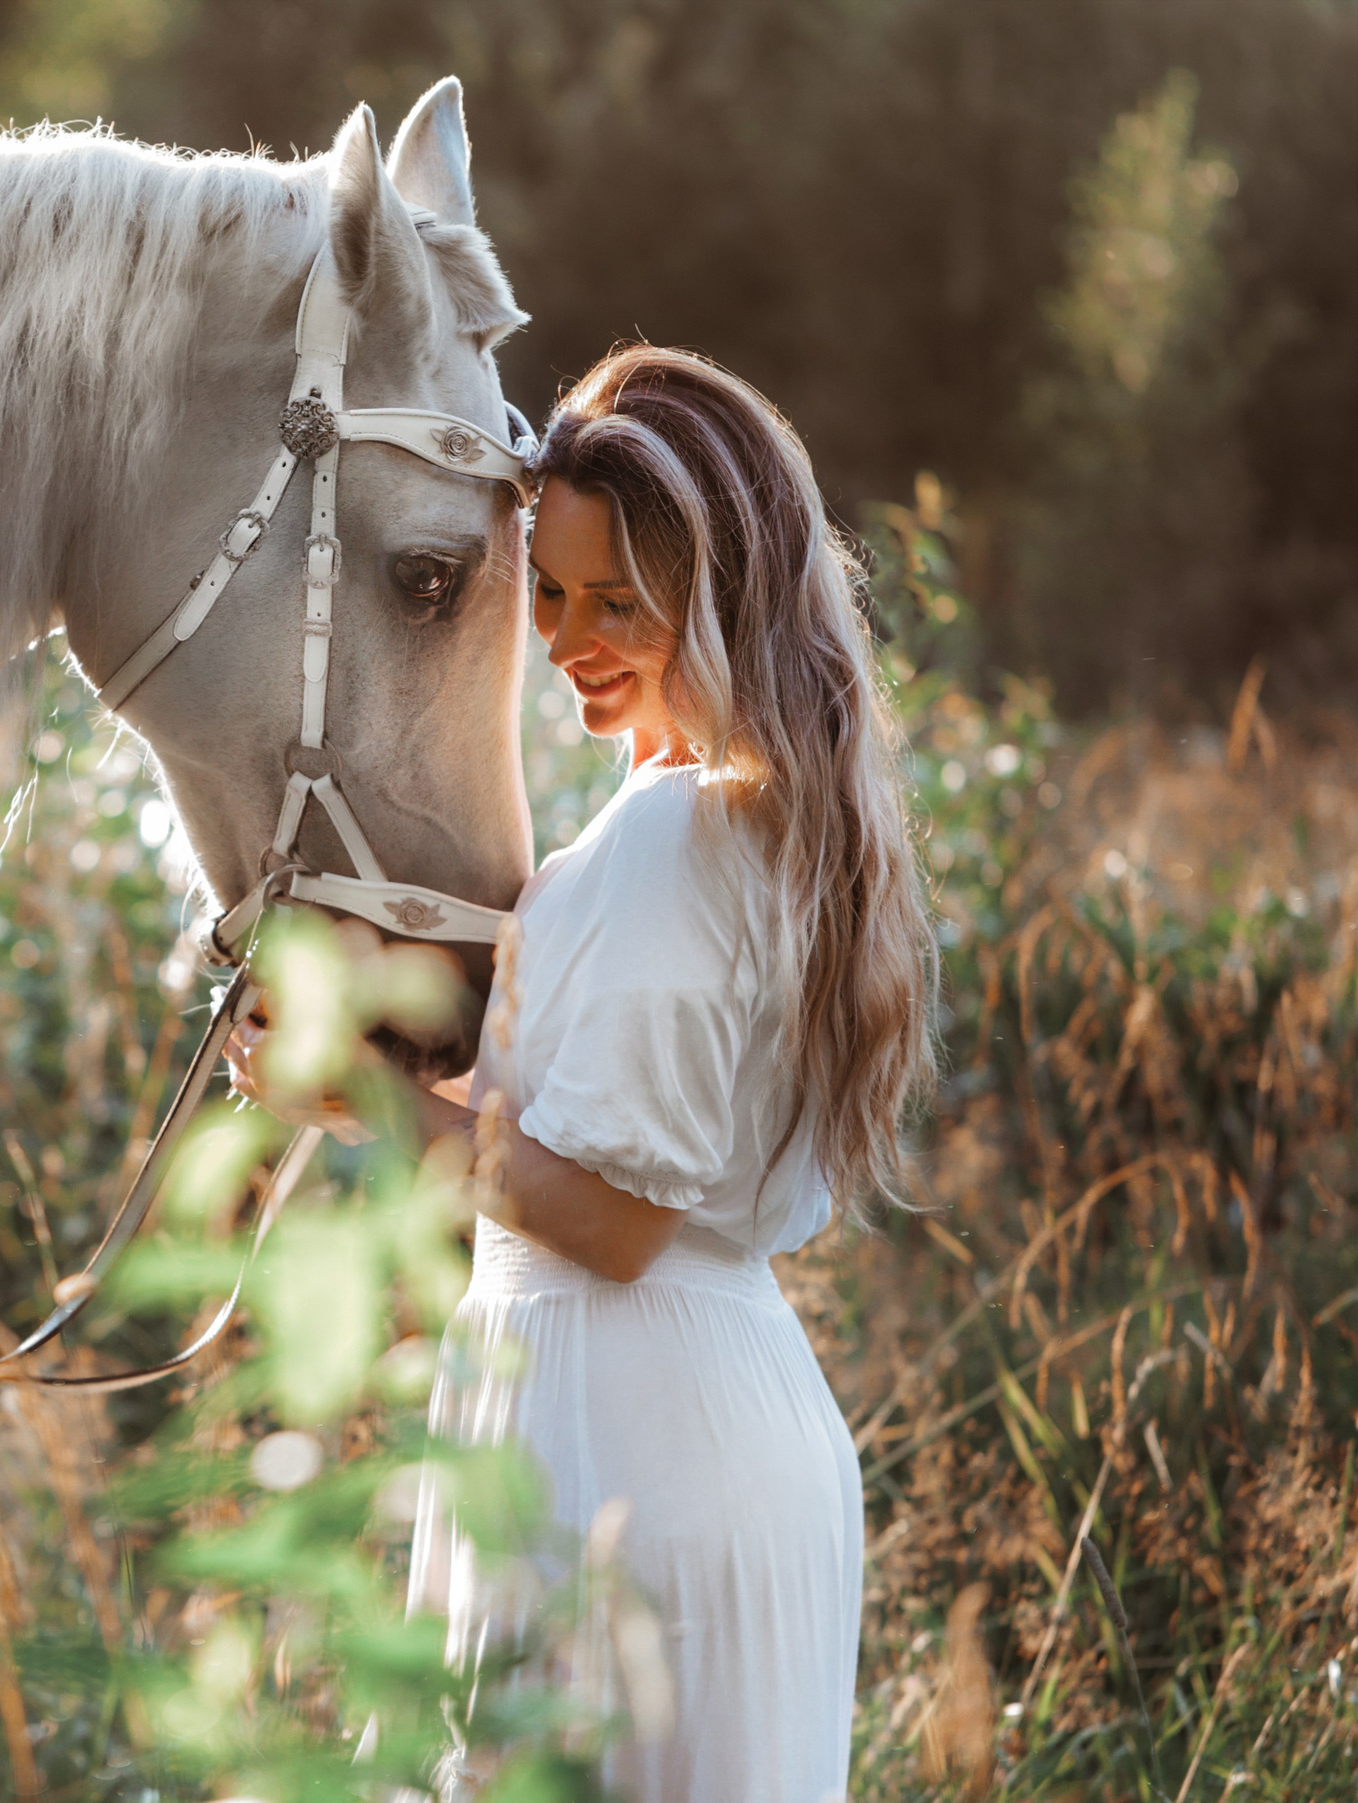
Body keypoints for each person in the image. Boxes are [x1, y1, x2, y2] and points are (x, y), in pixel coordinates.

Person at [240, 344, 934, 1802]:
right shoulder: (765, 821)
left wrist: (347, 1095)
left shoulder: (674, 837)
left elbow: (608, 1224)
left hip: (631, 1452)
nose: (569, 636)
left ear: (724, 588)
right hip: (702, 1426)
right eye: (548, 590)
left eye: (622, 599)